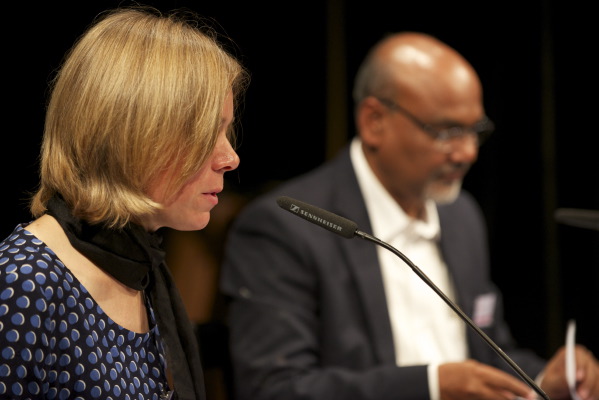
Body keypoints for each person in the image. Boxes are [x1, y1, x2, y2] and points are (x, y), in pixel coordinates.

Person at [219, 32, 599, 400]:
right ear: (375, 121)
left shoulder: (461, 216)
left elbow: (488, 352)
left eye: (475, 130)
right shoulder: (289, 227)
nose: (468, 152)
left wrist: (543, 378)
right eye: (447, 131)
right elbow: (273, 388)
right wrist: (431, 386)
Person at [0, 6, 248, 400]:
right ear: (135, 136)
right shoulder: (22, 284)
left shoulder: (138, 265)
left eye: (226, 131)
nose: (230, 157)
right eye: (207, 133)